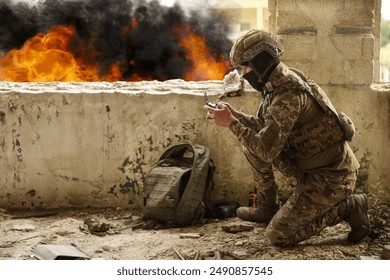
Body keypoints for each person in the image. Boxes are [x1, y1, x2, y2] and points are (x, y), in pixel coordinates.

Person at [205, 29, 369, 247]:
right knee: (250, 145)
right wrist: (236, 116)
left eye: (245, 66)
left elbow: (267, 150)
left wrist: (231, 124)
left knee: (279, 236)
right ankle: (268, 207)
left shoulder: (288, 95)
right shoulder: (277, 83)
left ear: (261, 62)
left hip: (331, 178)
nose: (243, 73)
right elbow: (267, 130)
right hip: (310, 170)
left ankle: (349, 207)